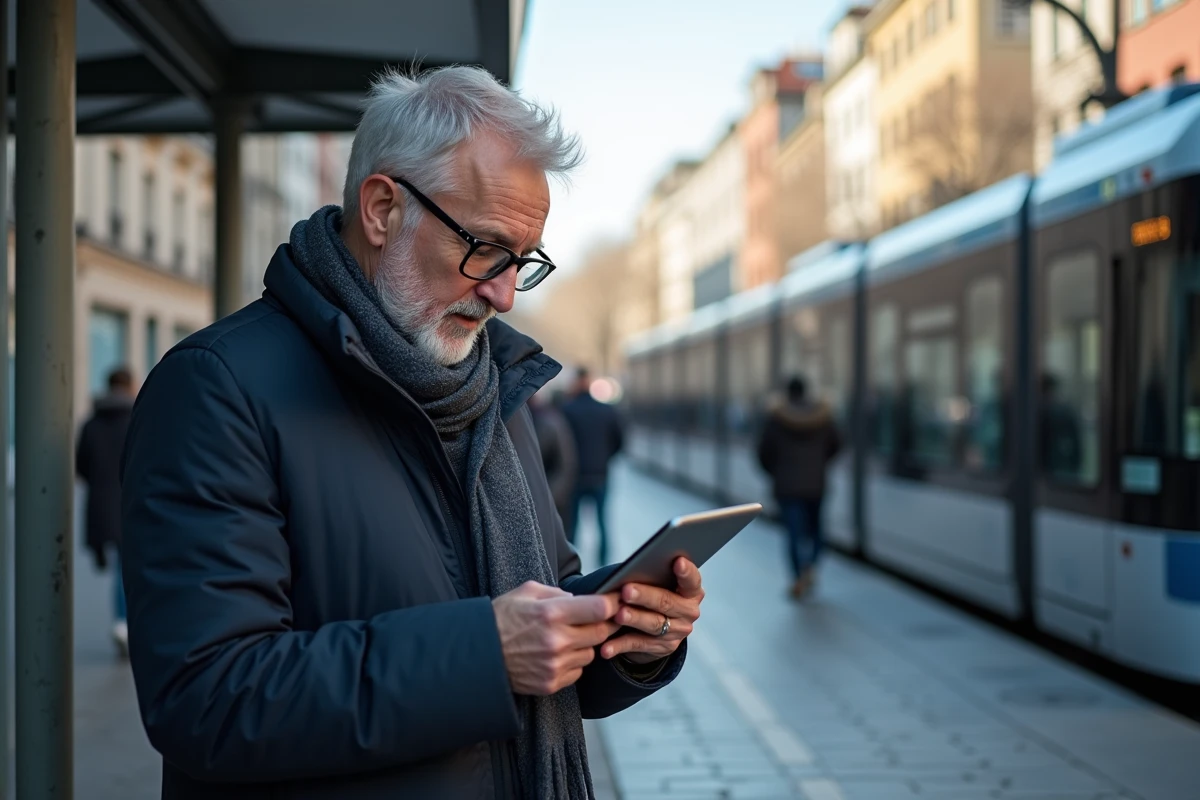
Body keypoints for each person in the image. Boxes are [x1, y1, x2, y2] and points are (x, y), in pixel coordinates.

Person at [120, 66, 703, 800]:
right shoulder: (215, 387)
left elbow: (539, 612)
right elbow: (205, 699)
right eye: (486, 248)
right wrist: (486, 655)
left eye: (524, 261)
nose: (504, 292)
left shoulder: (493, 385)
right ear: (383, 210)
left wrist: (628, 636)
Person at [757, 375, 841, 599]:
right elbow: (836, 445)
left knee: (793, 533)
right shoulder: (823, 416)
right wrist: (818, 466)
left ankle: (797, 576)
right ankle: (810, 565)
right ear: (805, 391)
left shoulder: (776, 418)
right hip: (816, 485)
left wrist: (777, 473)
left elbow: (763, 453)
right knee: (816, 531)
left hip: (787, 487)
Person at [76, 366, 136, 657]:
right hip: (131, 504)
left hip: (100, 506)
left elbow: (81, 467)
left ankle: (121, 624)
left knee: (117, 566)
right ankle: (124, 622)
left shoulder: (90, 424)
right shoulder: (137, 420)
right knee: (126, 568)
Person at [560, 367, 624, 565]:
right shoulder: (607, 410)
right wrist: (604, 458)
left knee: (572, 524)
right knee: (603, 522)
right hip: (600, 474)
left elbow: (561, 445)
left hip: (575, 475)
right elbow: (619, 442)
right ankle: (605, 563)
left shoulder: (567, 410)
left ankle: (571, 565)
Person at [530, 388, 578, 530]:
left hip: (548, 504)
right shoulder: (549, 421)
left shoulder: (549, 423)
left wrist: (546, 500)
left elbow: (565, 466)